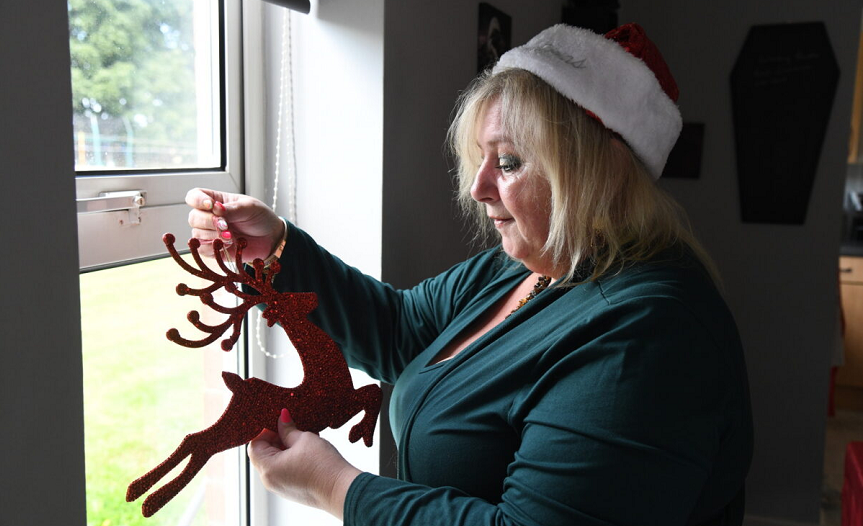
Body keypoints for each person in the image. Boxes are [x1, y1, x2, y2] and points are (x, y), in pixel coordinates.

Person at [186, 23, 753, 526]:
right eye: (480, 158)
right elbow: (401, 329)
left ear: (596, 173)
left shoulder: (649, 334)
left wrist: (337, 488)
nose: (478, 188)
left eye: (508, 162)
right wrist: (276, 250)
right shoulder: (522, 269)